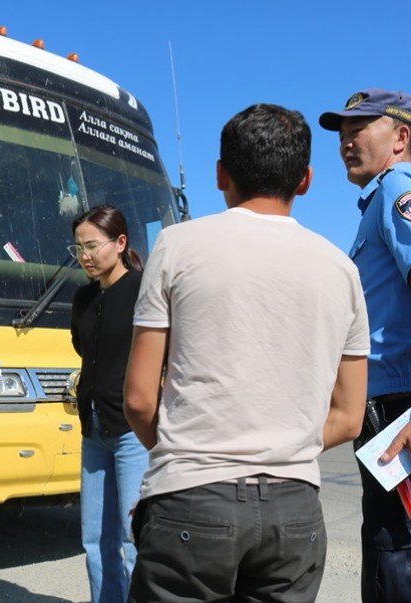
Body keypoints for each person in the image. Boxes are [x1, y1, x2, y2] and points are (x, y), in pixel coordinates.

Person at [124, 103, 370, 602]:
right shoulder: (341, 270)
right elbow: (348, 419)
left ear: (221, 174)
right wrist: (283, 445)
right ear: (305, 180)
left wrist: (182, 458)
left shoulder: (176, 246)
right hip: (295, 509)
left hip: (192, 499)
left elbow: (139, 399)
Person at [319, 88, 411, 602]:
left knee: (394, 550)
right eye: (342, 134)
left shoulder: (398, 189)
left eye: (359, 129)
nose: (346, 142)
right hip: (385, 407)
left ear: (400, 137)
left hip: (400, 409)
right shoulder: (378, 201)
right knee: (388, 544)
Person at [69, 205, 149, 603]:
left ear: (120, 243)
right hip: (93, 430)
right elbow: (83, 350)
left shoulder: (143, 290)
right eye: (78, 248)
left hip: (133, 430)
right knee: (95, 538)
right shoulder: (83, 298)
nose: (84, 256)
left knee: (134, 536)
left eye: (92, 246)